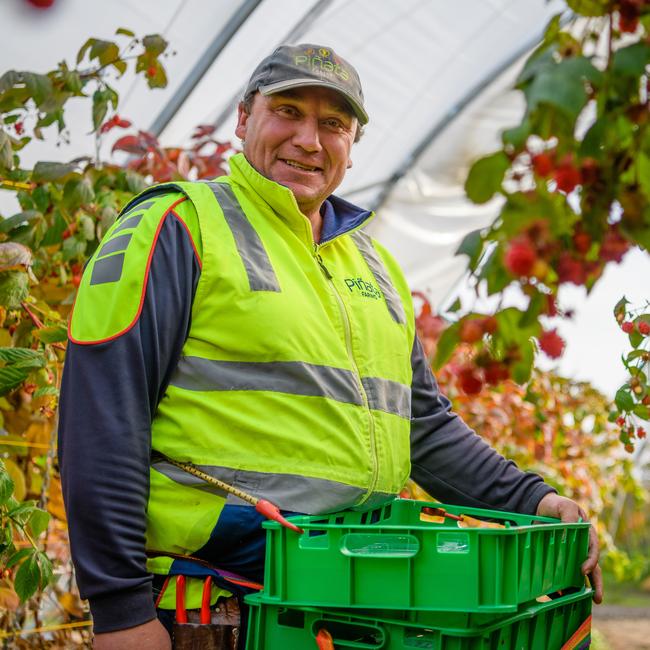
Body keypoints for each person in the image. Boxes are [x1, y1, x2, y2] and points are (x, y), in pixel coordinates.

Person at [58, 43, 602, 649]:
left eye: (333, 124)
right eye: (287, 111)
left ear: (352, 143)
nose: (309, 140)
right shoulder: (179, 227)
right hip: (215, 606)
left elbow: (422, 424)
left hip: (349, 602)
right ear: (244, 119)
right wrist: (120, 611)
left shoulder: (375, 266)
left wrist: (534, 498)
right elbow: (102, 420)